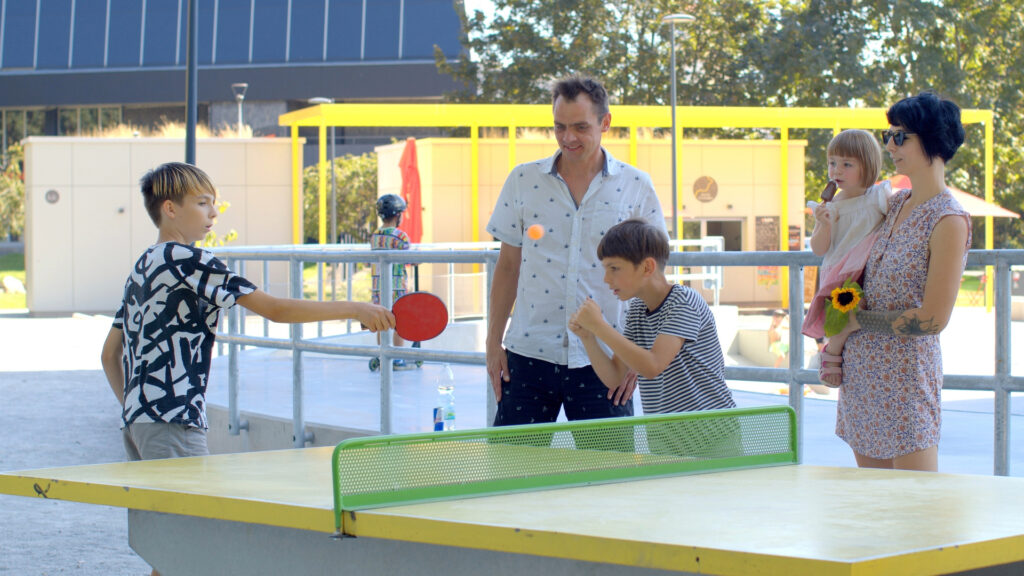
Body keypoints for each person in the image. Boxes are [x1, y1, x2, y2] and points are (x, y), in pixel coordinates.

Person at [99, 163, 393, 576]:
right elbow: (274, 309)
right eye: (202, 203)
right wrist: (355, 307)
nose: (213, 214)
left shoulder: (144, 265)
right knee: (194, 545)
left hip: (142, 421)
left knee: (172, 547)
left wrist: (136, 409)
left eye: (213, 204)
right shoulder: (190, 259)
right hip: (172, 419)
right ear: (169, 208)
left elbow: (109, 354)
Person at [485, 75, 666, 426]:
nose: (568, 138)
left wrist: (636, 357)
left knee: (607, 478)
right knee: (512, 473)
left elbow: (652, 279)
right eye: (559, 127)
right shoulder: (523, 180)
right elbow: (508, 267)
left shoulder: (636, 185)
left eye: (580, 127)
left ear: (606, 122)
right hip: (528, 355)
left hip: (606, 361)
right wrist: (493, 344)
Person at [823, 92, 971, 472]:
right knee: (876, 515)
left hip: (906, 383)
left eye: (901, 136)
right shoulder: (892, 203)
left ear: (932, 141)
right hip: (861, 377)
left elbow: (933, 320)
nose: (889, 145)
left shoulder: (949, 220)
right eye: (888, 135)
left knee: (916, 517)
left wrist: (855, 322)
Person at [568, 219, 735, 415]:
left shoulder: (684, 301)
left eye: (614, 268)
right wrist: (588, 338)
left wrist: (599, 327)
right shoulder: (637, 310)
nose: (606, 279)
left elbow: (653, 366)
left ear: (647, 267)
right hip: (664, 438)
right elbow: (615, 378)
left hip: (714, 436)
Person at [802, 129, 890, 386]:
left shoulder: (878, 197)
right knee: (843, 311)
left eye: (846, 164)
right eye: (832, 163)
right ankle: (832, 350)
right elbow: (818, 249)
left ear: (868, 166)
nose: (836, 171)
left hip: (869, 268)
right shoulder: (829, 207)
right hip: (840, 271)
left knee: (854, 308)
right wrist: (824, 224)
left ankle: (832, 348)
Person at [369, 193, 413, 369]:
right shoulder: (400, 237)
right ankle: (397, 358)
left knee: (381, 321)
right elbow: (408, 258)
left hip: (378, 287)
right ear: (397, 215)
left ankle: (383, 354)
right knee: (398, 322)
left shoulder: (375, 236)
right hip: (396, 287)